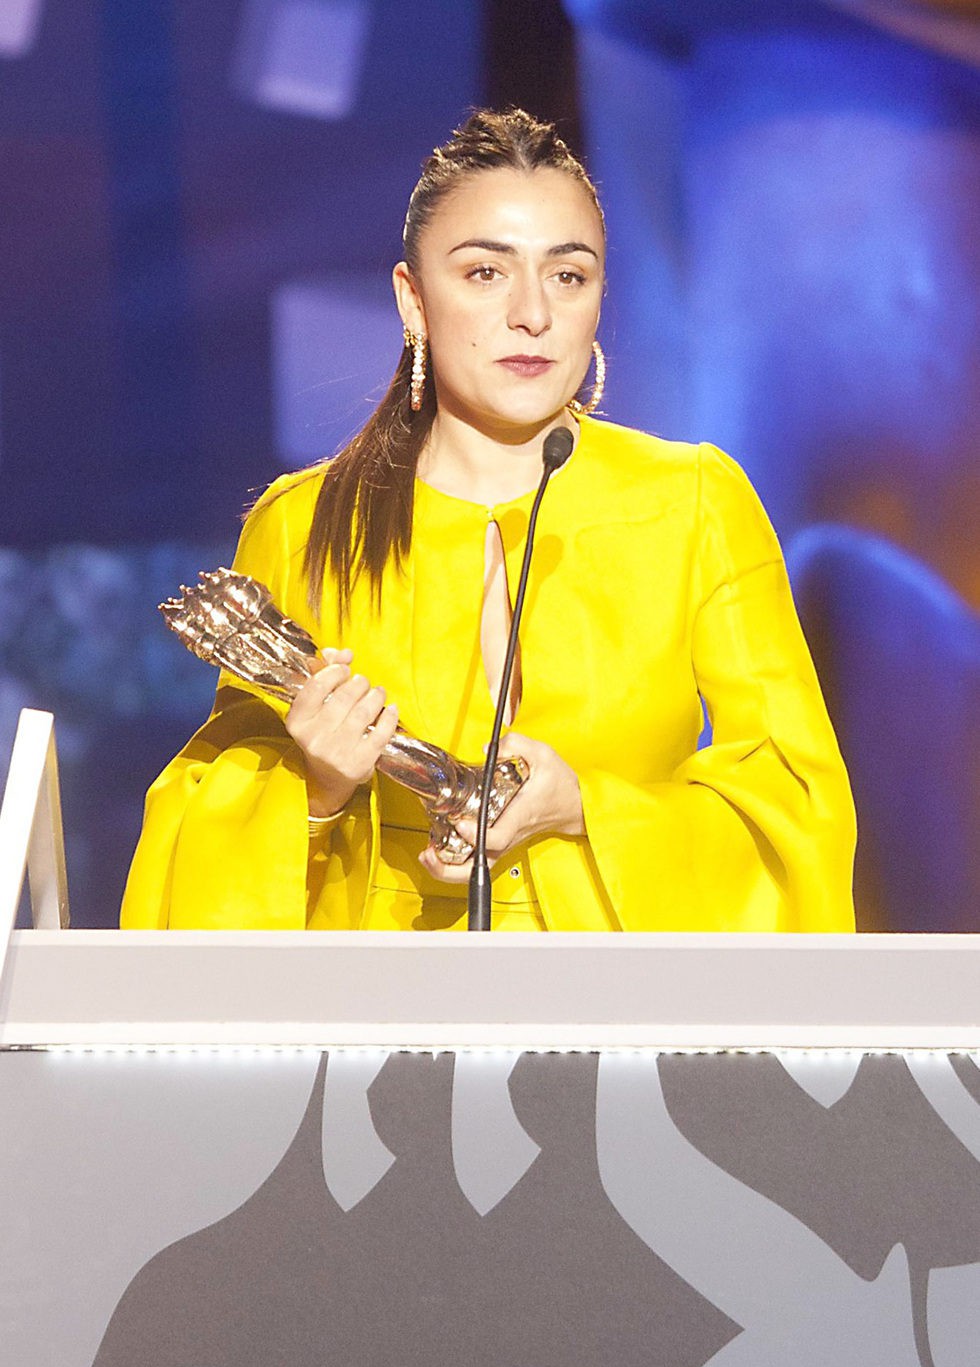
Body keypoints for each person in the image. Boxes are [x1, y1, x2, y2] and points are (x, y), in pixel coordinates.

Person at [121, 108, 856, 933]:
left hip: (621, 1015)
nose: (532, 314)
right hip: (379, 1023)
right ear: (412, 300)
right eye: (484, 273)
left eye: (568, 276)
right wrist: (318, 791)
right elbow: (204, 838)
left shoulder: (693, 502)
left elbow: (795, 805)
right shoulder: (307, 524)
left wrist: (584, 810)